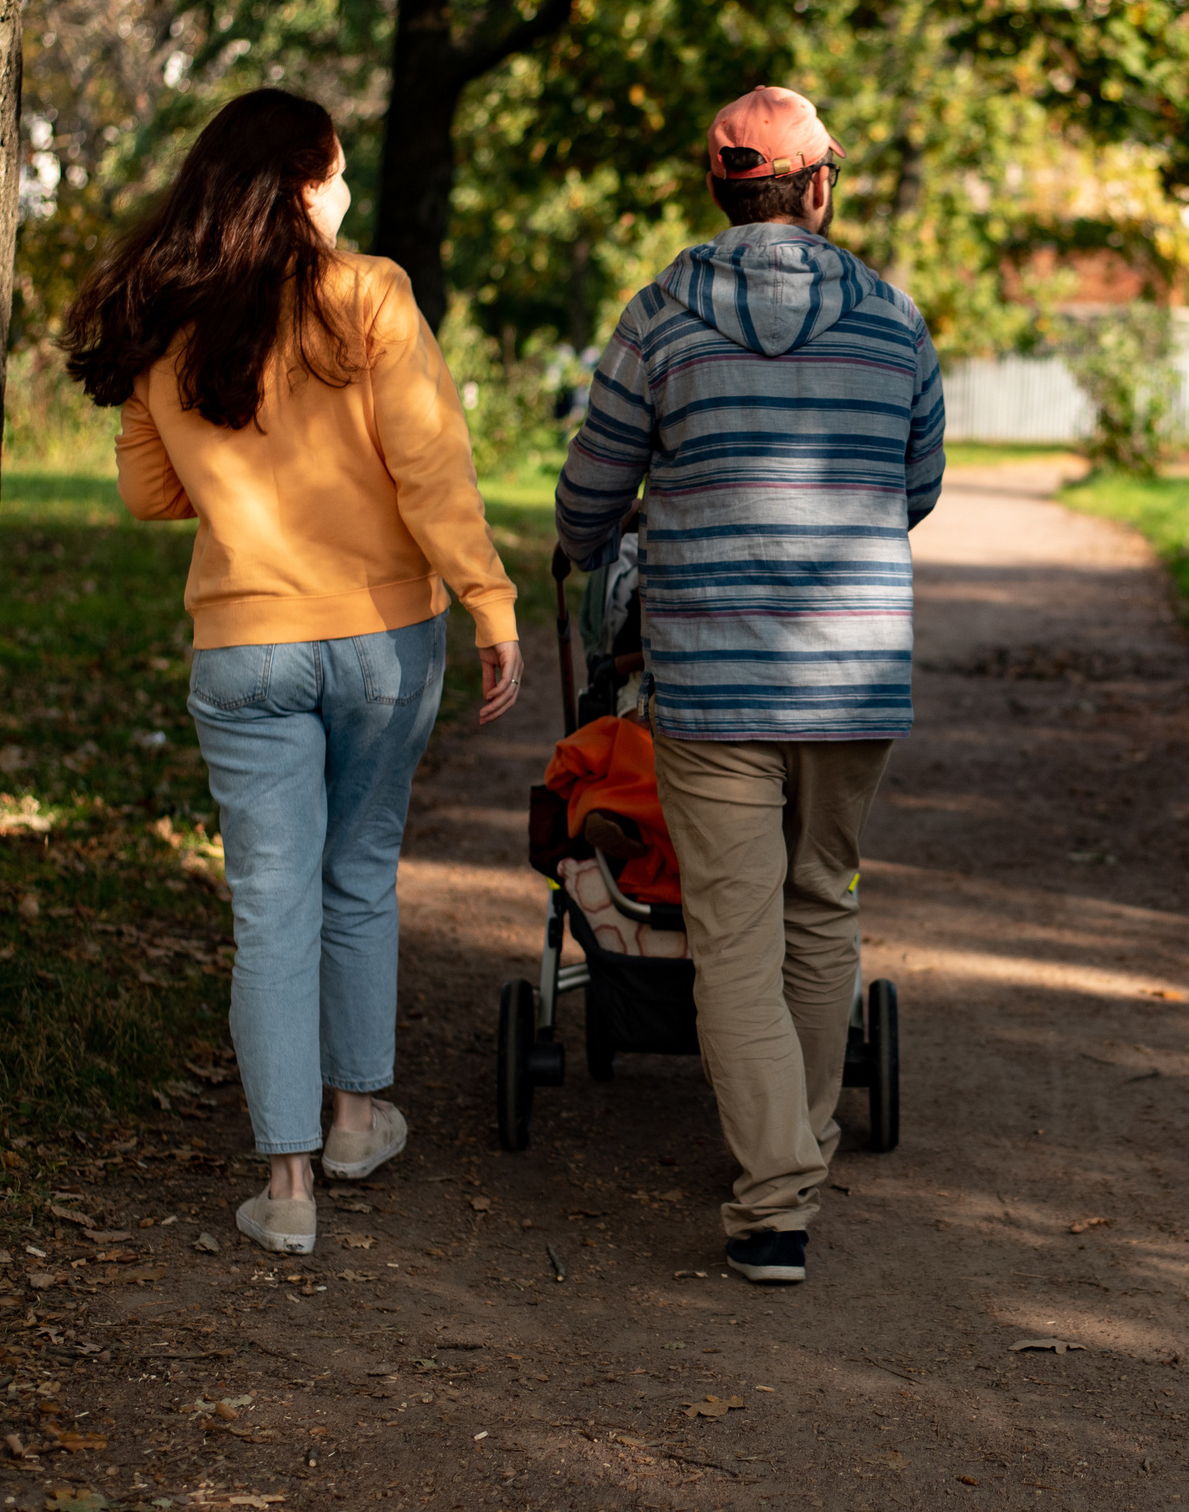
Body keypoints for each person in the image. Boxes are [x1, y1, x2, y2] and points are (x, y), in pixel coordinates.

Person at [61, 88, 524, 1255]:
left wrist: (186, 433)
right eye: (337, 172)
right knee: (358, 869)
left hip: (244, 645)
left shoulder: (167, 319)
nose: (349, 192)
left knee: (270, 911)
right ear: (303, 185)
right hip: (380, 641)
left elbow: (148, 494)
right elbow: (428, 464)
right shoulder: (367, 294)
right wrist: (488, 596)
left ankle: (286, 1187)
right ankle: (360, 1117)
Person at [553, 85, 945, 1285]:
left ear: (718, 188)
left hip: (712, 678)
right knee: (821, 898)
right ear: (817, 186)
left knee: (733, 935)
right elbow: (915, 484)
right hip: (854, 670)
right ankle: (800, 1143)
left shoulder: (661, 315)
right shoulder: (891, 320)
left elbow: (588, 496)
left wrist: (627, 523)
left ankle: (777, 1197)